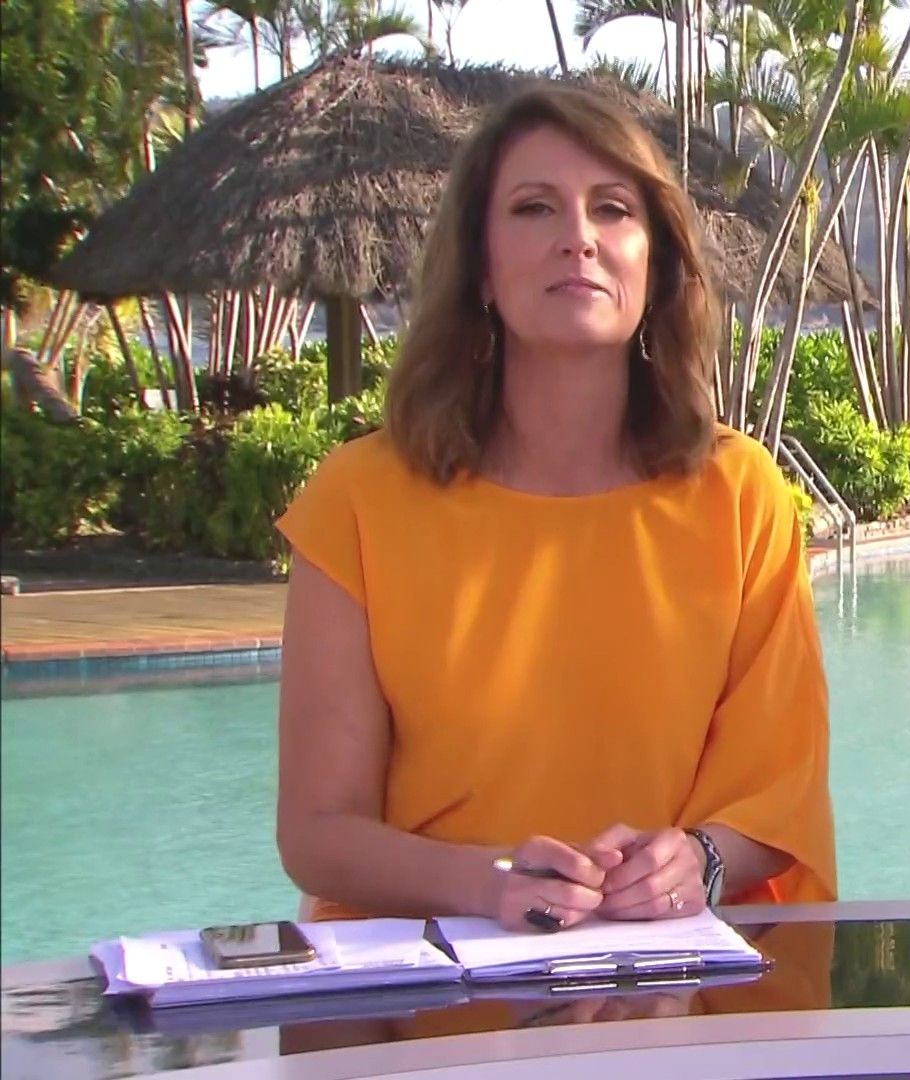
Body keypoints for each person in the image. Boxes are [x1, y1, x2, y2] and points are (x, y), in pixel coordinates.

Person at [274, 84, 834, 933]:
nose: (579, 237)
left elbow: (780, 794)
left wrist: (698, 860)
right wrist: (490, 883)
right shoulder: (357, 500)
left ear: (656, 264)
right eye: (535, 208)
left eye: (613, 209)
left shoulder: (741, 494)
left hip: (671, 980)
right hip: (421, 984)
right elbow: (319, 832)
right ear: (480, 267)